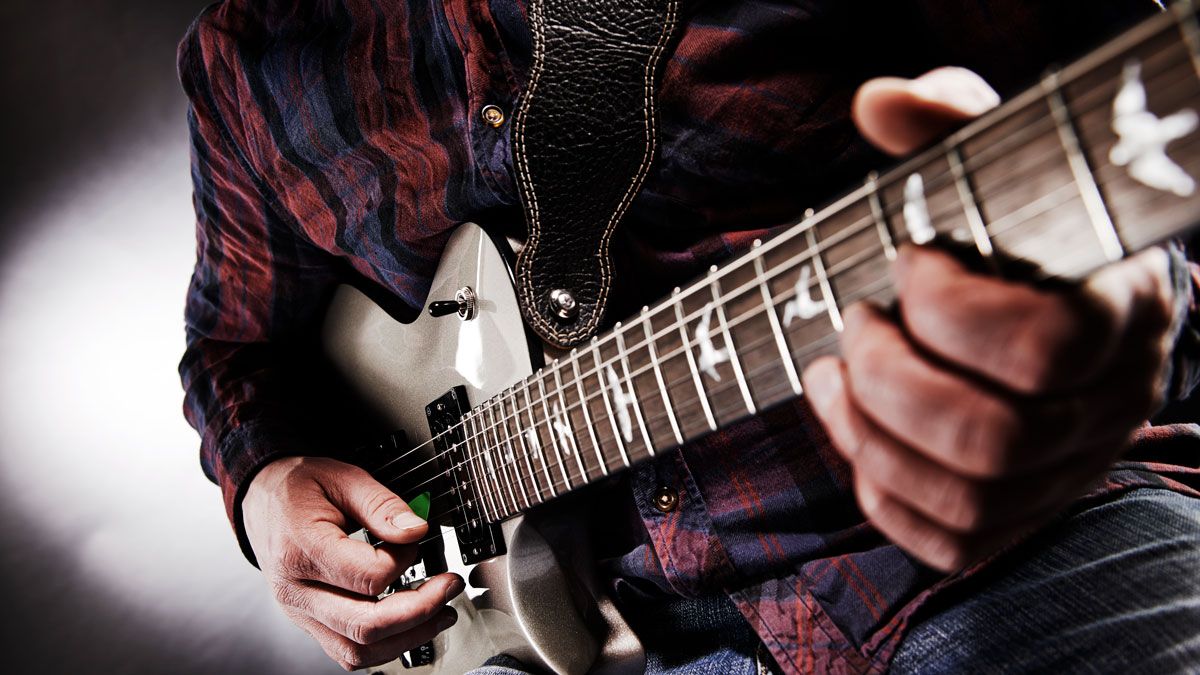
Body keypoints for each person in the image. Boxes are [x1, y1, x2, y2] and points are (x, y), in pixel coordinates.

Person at [178, 1, 1200, 672]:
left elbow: (1138, 173)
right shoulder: (241, 55)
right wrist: (266, 484)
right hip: (619, 633)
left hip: (1032, 539)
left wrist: (1125, 316)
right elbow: (233, 346)